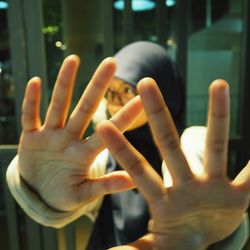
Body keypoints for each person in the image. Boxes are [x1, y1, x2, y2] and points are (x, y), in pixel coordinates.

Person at [5, 42, 249, 249]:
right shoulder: (108, 152)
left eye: (126, 90)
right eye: (110, 91)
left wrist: (207, 235)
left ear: (164, 90)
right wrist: (39, 188)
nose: (115, 102)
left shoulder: (190, 143)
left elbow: (209, 202)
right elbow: (78, 187)